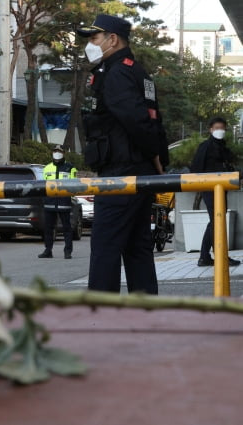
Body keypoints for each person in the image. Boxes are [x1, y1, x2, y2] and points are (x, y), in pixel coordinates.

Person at [78, 14, 168, 294]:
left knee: (106, 244)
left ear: (112, 39)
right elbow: (152, 119)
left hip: (121, 171)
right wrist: (158, 161)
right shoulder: (137, 71)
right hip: (139, 170)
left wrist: (155, 156)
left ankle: (102, 315)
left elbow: (136, 120)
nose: (90, 44)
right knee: (136, 245)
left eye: (94, 38)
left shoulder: (115, 73)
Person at [190, 117, 240, 267]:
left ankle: (204, 257)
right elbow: (196, 169)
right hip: (210, 189)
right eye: (217, 128)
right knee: (217, 222)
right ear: (211, 129)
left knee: (215, 221)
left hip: (221, 188)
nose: (220, 131)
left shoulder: (223, 147)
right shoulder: (205, 146)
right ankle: (220, 256)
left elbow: (229, 165)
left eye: (223, 128)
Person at [38, 146, 77, 259]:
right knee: (48, 228)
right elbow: (43, 184)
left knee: (67, 228)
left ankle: (68, 251)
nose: (57, 153)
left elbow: (74, 185)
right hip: (49, 202)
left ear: (64, 153)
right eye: (55, 151)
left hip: (64, 201)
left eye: (59, 151)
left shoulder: (70, 168)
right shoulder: (47, 168)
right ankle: (48, 250)